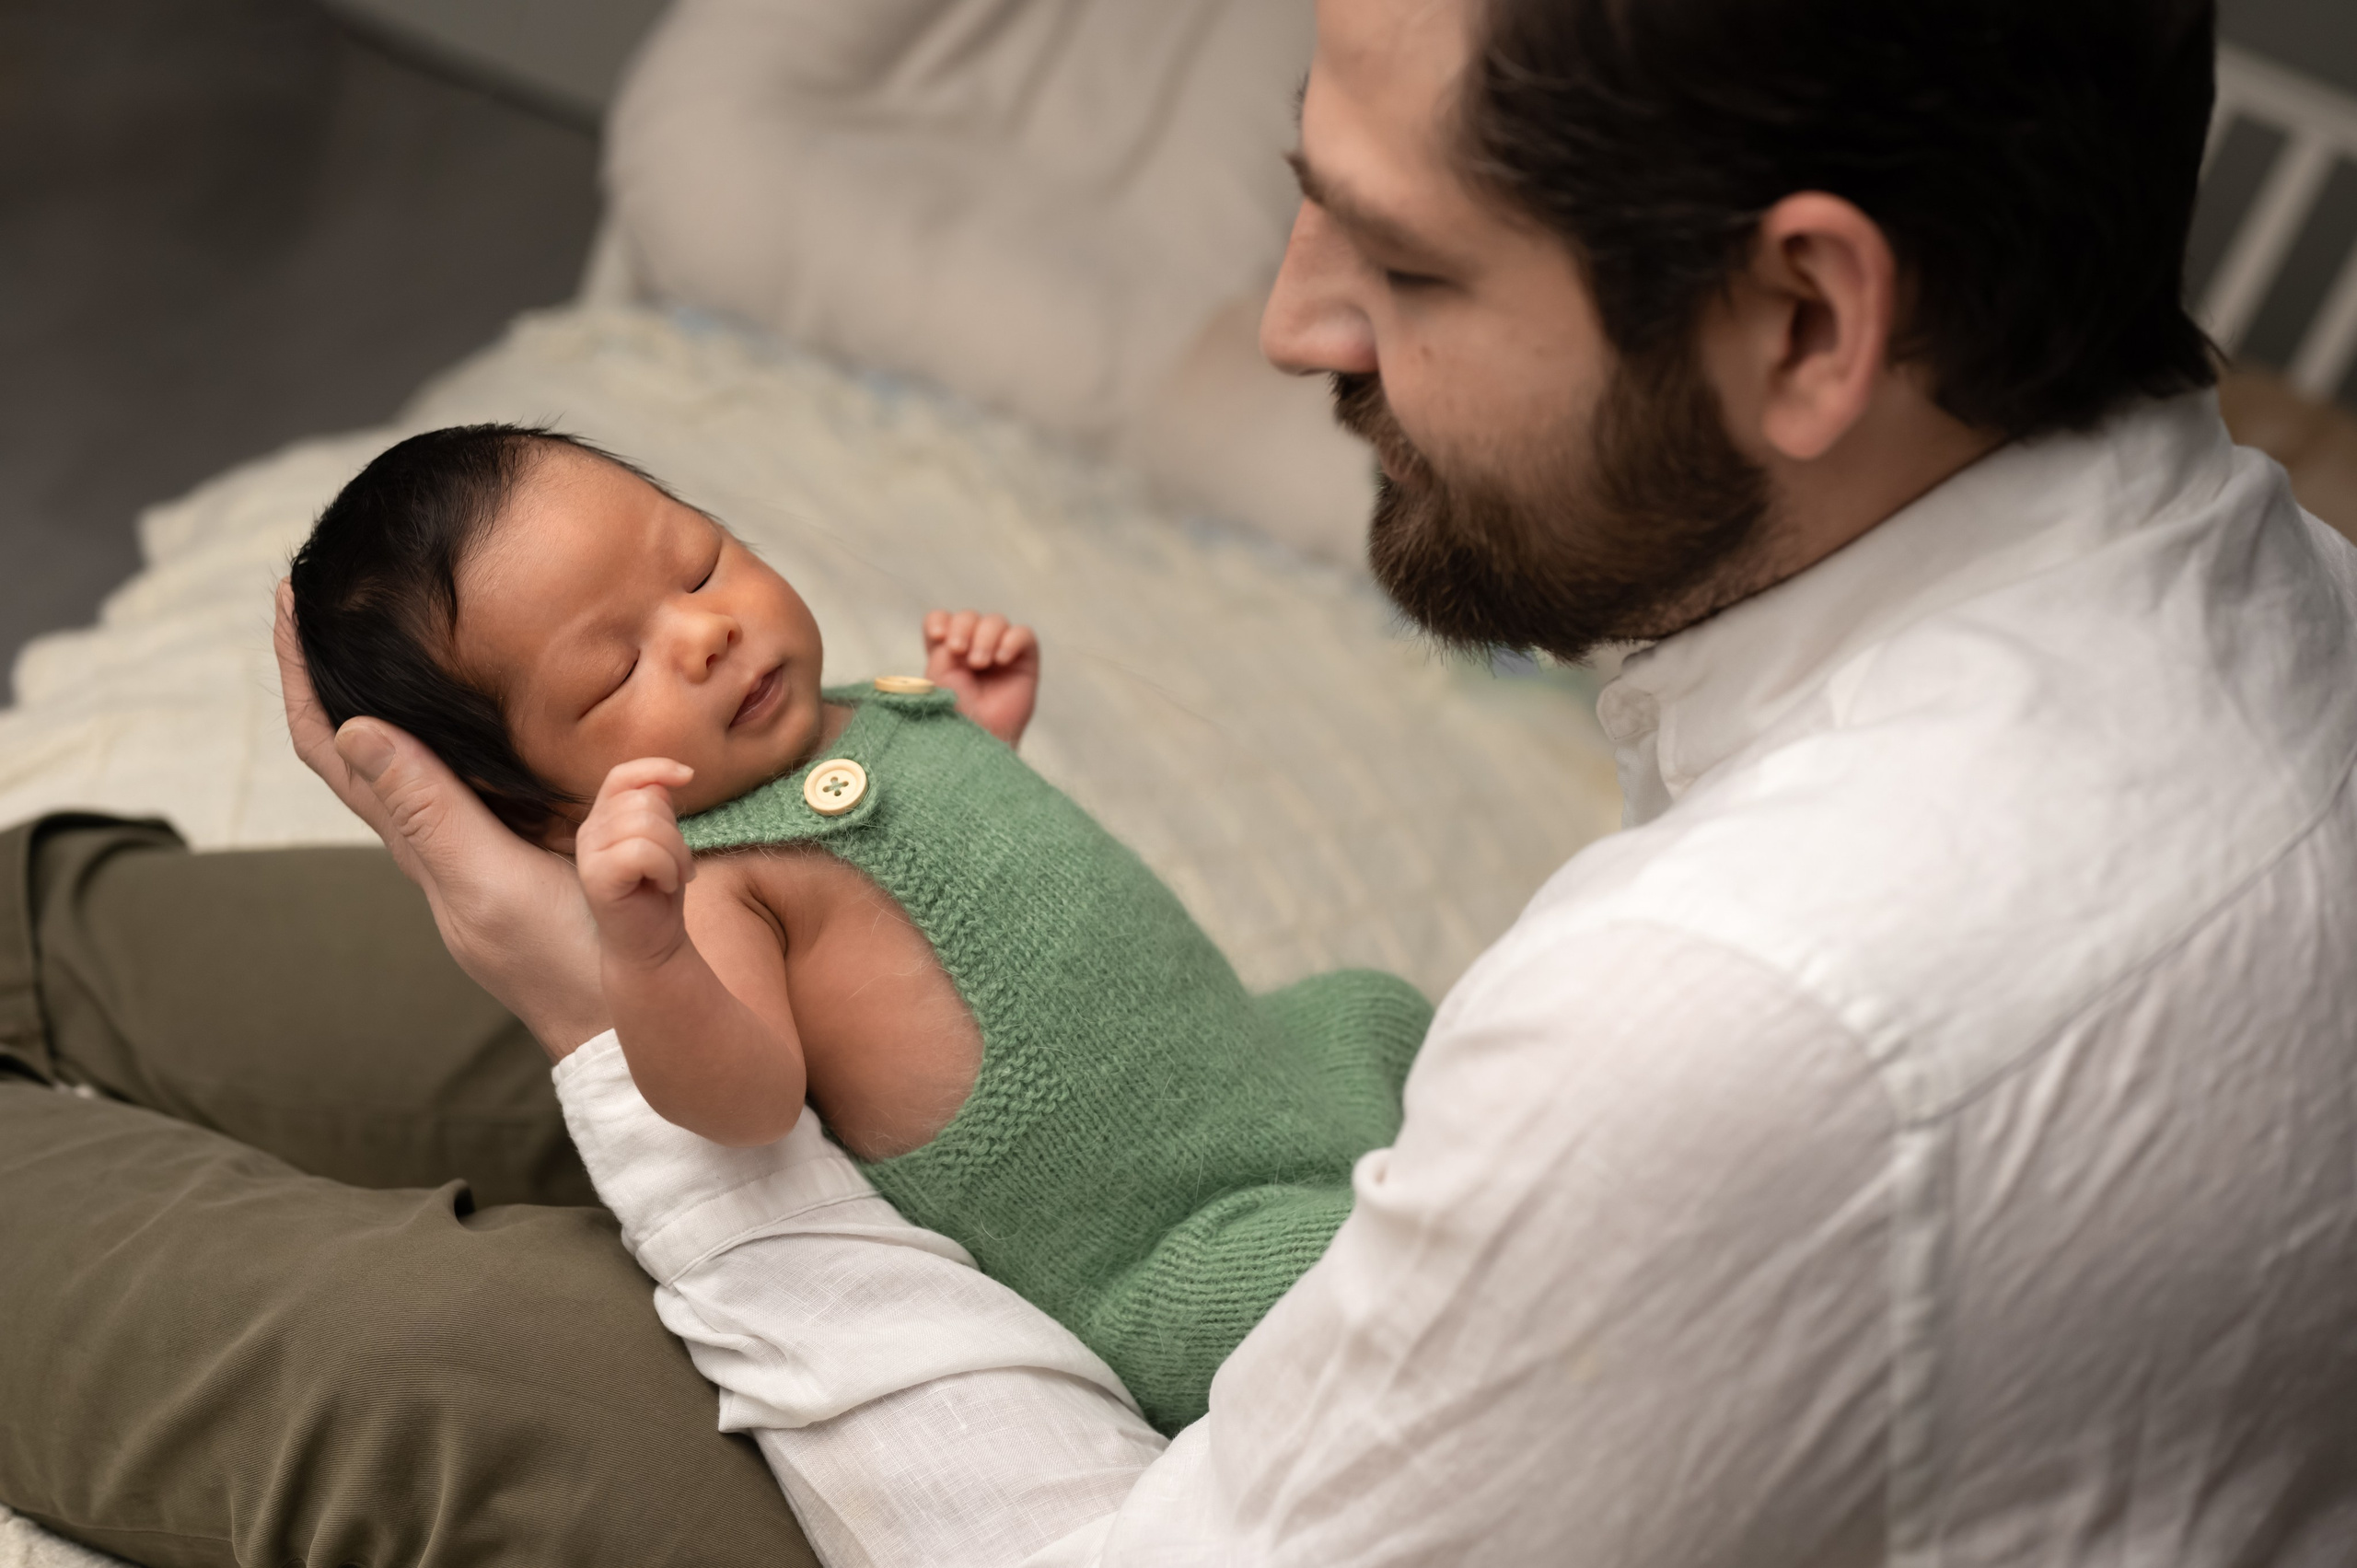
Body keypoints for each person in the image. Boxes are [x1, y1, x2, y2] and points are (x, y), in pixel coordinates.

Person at [2, 0, 2351, 1563]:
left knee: (468, 1356)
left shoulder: (1759, 1012)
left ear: (1804, 322)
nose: (1288, 319)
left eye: (1404, 266)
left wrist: (638, 1083)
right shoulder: (2245, 599)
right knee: (321, 977)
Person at [287, 422, 1428, 1434]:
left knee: (1379, 1007)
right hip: (1167, 1238)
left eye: (698, 560)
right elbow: (741, 1101)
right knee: (1356, 1290)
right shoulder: (717, 879)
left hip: (1261, 1070)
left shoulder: (855, 716)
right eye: (614, 668)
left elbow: (943, 899)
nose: (702, 632)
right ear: (541, 807)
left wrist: (975, 734)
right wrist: (643, 949)